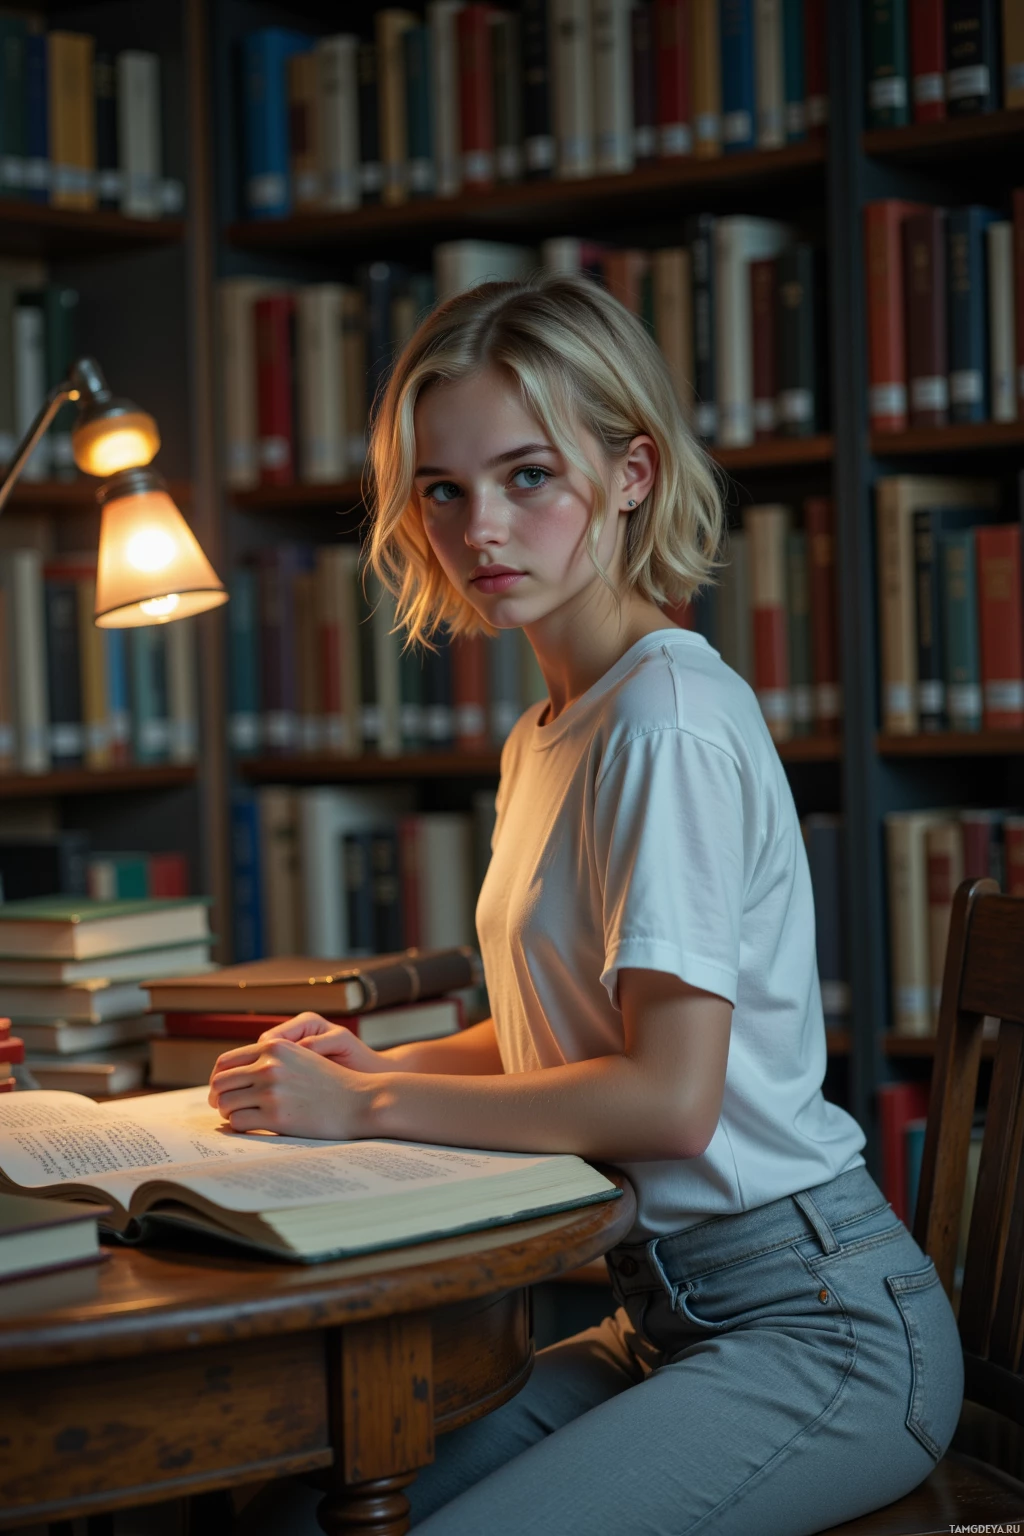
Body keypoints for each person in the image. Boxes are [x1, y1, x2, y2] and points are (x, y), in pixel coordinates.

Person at [214, 274, 963, 1536]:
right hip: (661, 1315)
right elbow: (555, 1039)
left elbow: (665, 1101)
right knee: (294, 1515)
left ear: (630, 474)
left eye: (526, 477)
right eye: (441, 490)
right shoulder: (554, 727)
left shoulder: (661, 726)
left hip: (820, 1330)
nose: (480, 531)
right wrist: (365, 1061)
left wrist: (372, 1101)